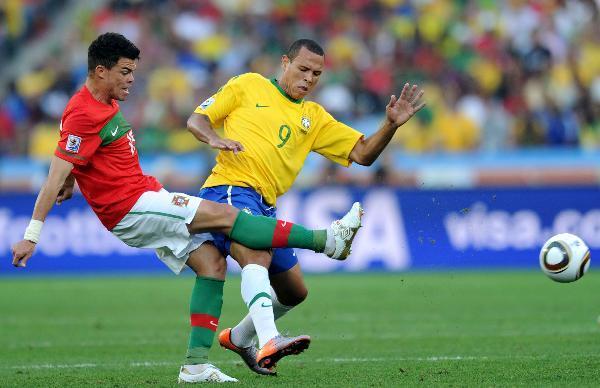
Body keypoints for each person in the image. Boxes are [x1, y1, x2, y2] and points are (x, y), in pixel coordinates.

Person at [10, 33, 363, 384]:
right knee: (227, 217)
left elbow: (76, 157)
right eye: (125, 72)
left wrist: (73, 178)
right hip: (131, 206)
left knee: (212, 264)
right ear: (100, 71)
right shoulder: (84, 111)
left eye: (133, 72)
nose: (132, 80)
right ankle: (327, 240)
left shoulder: (102, 102)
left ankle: (195, 367)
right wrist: (31, 235)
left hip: (143, 195)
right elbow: (54, 172)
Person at [186, 38, 425, 375]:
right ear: (285, 62)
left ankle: (240, 338)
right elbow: (197, 120)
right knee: (255, 254)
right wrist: (213, 138)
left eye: (316, 73)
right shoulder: (247, 85)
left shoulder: (314, 118)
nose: (309, 78)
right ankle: (269, 339)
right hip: (229, 189)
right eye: (303, 69)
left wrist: (390, 125)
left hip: (266, 204)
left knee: (294, 291)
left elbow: (364, 154)